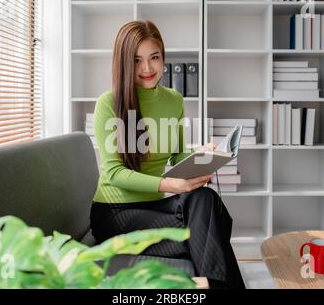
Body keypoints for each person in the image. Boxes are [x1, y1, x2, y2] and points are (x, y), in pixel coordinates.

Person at [90, 20, 245, 289]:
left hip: (155, 207)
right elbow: (114, 173)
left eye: (154, 57)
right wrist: (170, 184)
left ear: (163, 57)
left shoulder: (173, 99)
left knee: (204, 198)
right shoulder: (108, 103)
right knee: (209, 228)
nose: (147, 68)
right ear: (124, 63)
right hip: (115, 214)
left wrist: (202, 155)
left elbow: (177, 154)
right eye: (137, 60)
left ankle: (210, 283)